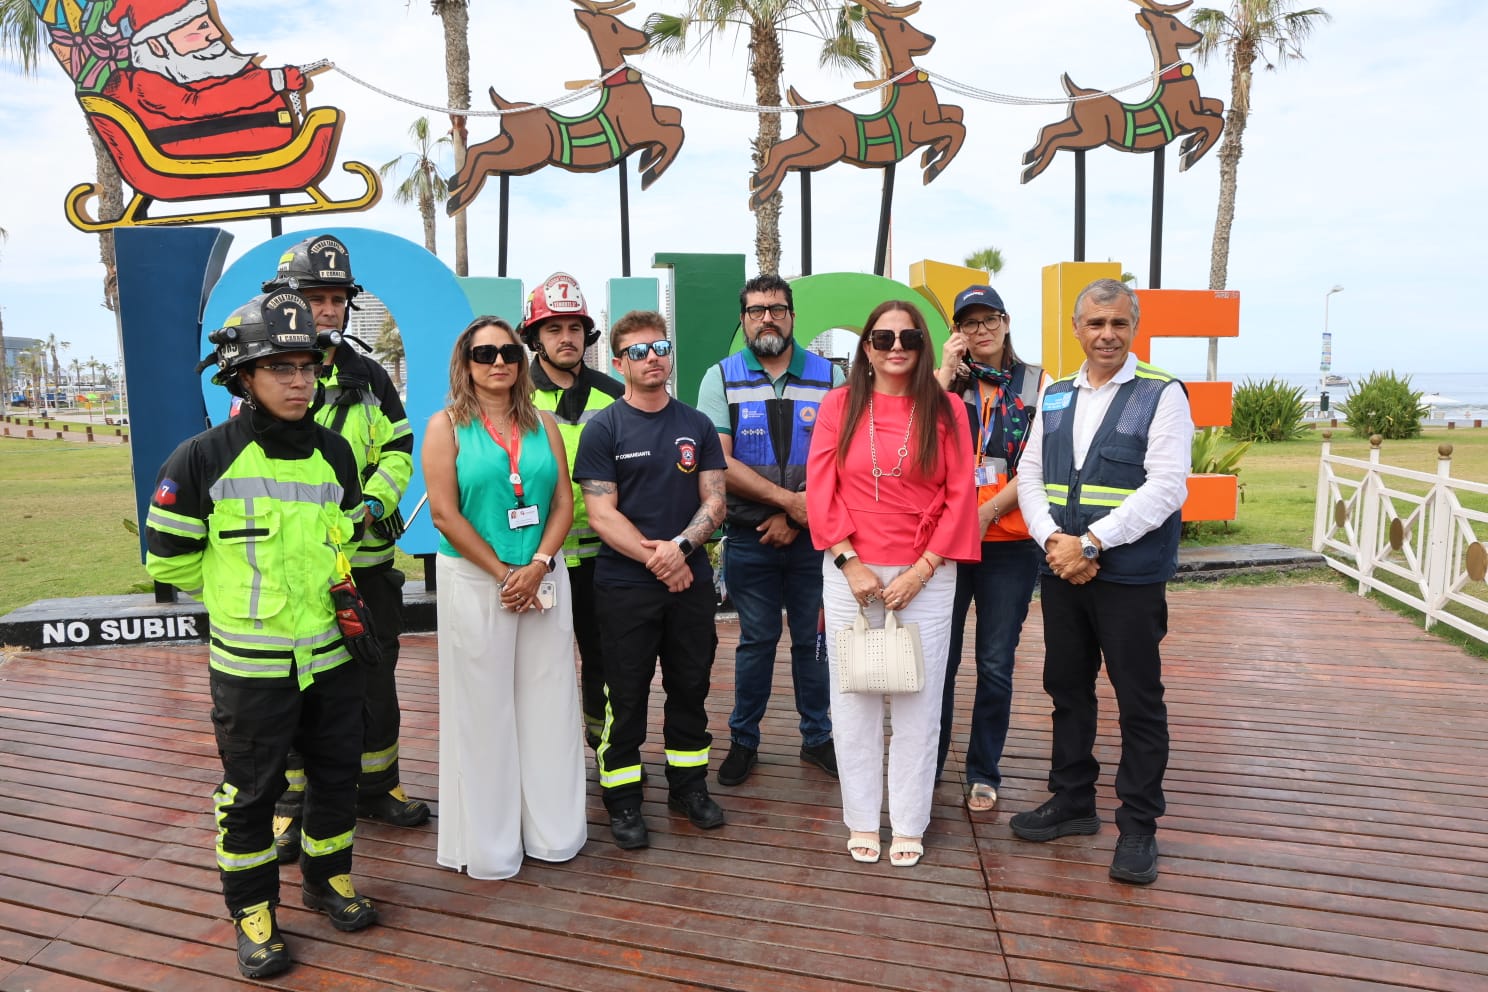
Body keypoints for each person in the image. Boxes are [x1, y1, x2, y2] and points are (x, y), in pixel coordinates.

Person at [145, 291, 378, 980]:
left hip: (332, 659)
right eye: (280, 367)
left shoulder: (337, 453)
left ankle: (326, 879)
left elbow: (353, 537)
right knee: (250, 796)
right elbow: (170, 560)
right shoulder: (200, 459)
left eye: (307, 366)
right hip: (251, 668)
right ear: (243, 377)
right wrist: (244, 602)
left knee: (336, 779)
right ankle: (253, 913)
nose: (299, 381)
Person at [1012, 277, 1193, 885]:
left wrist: (1090, 543)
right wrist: (1053, 542)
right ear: (1077, 328)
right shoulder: (1057, 395)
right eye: (1095, 323)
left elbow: (1167, 487)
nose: (1107, 334)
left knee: (1138, 699)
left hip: (1129, 578)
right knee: (1066, 689)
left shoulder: (1161, 394)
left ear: (1133, 326)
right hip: (1062, 570)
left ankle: (1138, 826)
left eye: (1118, 323)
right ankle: (1073, 802)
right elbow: (1030, 475)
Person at [262, 234, 427, 867]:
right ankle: (290, 809)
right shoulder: (263, 376)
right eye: (314, 297)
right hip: (296, 575)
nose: (327, 310)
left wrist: (376, 505)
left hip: (366, 567)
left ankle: (377, 786)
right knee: (294, 689)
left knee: (374, 680)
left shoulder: (368, 375)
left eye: (336, 299)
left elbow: (399, 449)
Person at [805, 300, 978, 867]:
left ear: (923, 345)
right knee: (852, 700)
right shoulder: (839, 405)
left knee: (918, 704)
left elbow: (960, 495)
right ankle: (860, 818)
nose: (896, 347)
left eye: (907, 337)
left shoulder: (949, 409)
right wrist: (849, 561)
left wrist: (923, 569)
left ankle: (908, 821)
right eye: (883, 338)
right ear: (867, 348)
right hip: (848, 569)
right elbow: (821, 487)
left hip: (927, 574)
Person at [422, 316, 587, 878]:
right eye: (484, 353)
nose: (498, 363)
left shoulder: (544, 422)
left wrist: (537, 565)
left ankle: (553, 832)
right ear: (464, 364)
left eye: (508, 353)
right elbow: (444, 513)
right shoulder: (444, 427)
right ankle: (491, 844)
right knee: (483, 712)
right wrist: (502, 572)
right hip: (476, 581)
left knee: (549, 705)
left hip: (542, 578)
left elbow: (563, 502)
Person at [573, 310, 728, 851]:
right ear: (619, 363)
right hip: (626, 585)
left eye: (659, 347)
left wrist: (682, 547)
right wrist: (660, 558)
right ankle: (623, 799)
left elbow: (715, 500)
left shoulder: (698, 426)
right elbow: (601, 514)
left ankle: (689, 786)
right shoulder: (604, 428)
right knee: (626, 695)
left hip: (690, 579)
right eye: (638, 351)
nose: (652, 358)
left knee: (691, 686)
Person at [695, 274, 843, 787]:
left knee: (813, 641)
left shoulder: (829, 378)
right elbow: (720, 461)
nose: (767, 318)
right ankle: (744, 741)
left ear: (793, 316)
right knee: (756, 641)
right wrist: (783, 507)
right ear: (743, 320)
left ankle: (818, 737)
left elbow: (838, 460)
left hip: (815, 537)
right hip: (748, 536)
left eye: (777, 309)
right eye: (756, 310)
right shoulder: (721, 377)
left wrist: (798, 514)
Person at [932, 285, 1047, 811]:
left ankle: (984, 769)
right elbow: (915, 443)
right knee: (940, 660)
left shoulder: (1036, 383)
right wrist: (942, 372)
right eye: (968, 323)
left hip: (1009, 545)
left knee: (995, 663)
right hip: (948, 546)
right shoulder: (945, 388)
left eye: (988, 320)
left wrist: (986, 512)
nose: (980, 331)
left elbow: (1038, 466)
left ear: (1005, 322)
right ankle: (928, 762)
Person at [519, 272, 624, 750]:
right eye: (554, 328)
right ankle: (550, 759)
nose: (566, 338)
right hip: (541, 557)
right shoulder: (516, 396)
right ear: (535, 337)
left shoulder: (614, 393)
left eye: (575, 328)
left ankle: (606, 755)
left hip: (606, 557)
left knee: (607, 659)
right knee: (542, 664)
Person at [103, 0, 306, 156]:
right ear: (157, 46)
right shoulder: (146, 83)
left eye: (209, 24)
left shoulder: (202, 68)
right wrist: (272, 81)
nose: (217, 34)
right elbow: (195, 105)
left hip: (268, 141)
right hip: (188, 155)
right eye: (200, 28)